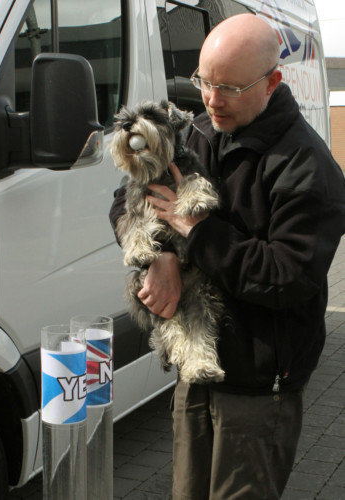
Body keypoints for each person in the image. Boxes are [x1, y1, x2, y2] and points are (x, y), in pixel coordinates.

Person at [109, 13, 345, 500]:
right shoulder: (197, 131)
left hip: (257, 389)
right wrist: (164, 255)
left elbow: (286, 278)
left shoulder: (309, 168)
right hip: (197, 373)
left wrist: (194, 232)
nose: (211, 100)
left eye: (230, 88)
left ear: (272, 82)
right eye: (205, 82)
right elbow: (128, 196)